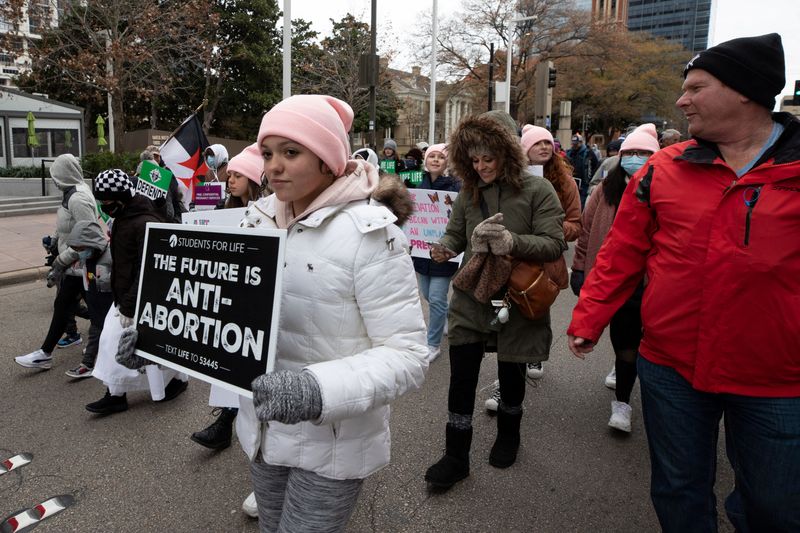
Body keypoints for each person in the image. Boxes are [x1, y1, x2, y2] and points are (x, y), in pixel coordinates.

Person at [567, 33, 800, 532]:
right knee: (677, 490)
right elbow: (621, 253)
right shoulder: (662, 169)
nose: (681, 99)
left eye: (696, 87)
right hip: (672, 367)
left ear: (745, 91)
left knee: (775, 505)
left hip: (778, 379)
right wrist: (588, 318)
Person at [235, 95, 428, 532]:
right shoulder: (255, 221)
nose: (273, 167)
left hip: (333, 442)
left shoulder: (373, 235)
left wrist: (314, 390)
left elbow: (408, 355)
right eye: (267, 153)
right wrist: (157, 340)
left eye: (291, 152)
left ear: (327, 161)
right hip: (263, 429)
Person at [424, 114, 565, 491]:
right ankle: (456, 457)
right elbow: (455, 234)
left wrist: (512, 242)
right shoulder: (469, 193)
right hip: (472, 297)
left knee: (511, 374)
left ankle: (509, 435)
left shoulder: (539, 191)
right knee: (461, 380)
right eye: (473, 159)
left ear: (506, 152)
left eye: (488, 157)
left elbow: (554, 243)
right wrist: (443, 249)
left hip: (519, 298)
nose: (481, 166)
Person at [570, 123, 660, 432]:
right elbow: (584, 232)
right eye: (630, 152)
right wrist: (579, 268)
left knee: (630, 344)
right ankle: (621, 386)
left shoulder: (663, 192)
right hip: (607, 277)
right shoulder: (604, 191)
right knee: (617, 337)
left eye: (644, 153)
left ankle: (623, 400)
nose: (635, 158)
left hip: (645, 284)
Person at [483, 124, 579, 411]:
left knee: (533, 310)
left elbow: (575, 224)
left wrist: (547, 224)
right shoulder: (506, 180)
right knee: (505, 316)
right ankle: (510, 376)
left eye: (548, 143)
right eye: (537, 143)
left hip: (541, 264)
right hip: (505, 263)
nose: (545, 147)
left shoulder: (564, 182)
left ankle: (521, 368)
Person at [86, 169, 189, 414]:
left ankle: (173, 383)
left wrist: (131, 304)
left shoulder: (144, 221)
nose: (104, 207)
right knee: (118, 345)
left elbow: (148, 267)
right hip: (127, 295)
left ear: (121, 198)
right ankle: (117, 393)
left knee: (142, 347)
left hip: (140, 298)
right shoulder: (125, 214)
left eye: (107, 203)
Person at [190, 143, 266, 451]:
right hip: (231, 299)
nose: (230, 180)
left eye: (237, 175)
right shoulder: (226, 209)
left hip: (257, 298)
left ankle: (257, 434)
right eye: (229, 174)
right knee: (228, 367)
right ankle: (225, 423)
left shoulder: (269, 211)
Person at [15, 154, 97, 370]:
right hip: (74, 265)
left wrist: (62, 260)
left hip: (81, 264)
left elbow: (88, 236)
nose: (53, 180)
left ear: (63, 175)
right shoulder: (70, 194)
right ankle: (45, 353)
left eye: (55, 175)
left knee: (96, 309)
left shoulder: (78, 198)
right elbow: (66, 226)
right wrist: (54, 240)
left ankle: (99, 351)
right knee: (64, 305)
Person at [411, 143, 461, 362]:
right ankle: (446, 318)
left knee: (436, 297)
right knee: (427, 294)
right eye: (432, 156)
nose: (435, 160)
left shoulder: (456, 187)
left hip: (444, 252)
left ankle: (433, 344)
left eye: (441, 157)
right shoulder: (416, 185)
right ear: (425, 160)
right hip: (421, 252)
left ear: (447, 163)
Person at [62, 220, 114, 379]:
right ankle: (88, 364)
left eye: (81, 248)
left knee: (110, 337)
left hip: (112, 307)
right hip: (95, 304)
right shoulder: (87, 257)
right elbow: (84, 275)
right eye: (77, 249)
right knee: (96, 332)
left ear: (91, 243)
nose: (80, 252)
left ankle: (105, 367)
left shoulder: (112, 255)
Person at [566, 133, 599, 208]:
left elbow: (596, 165)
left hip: (584, 183)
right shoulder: (569, 153)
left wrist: (591, 179)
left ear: (581, 143)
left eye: (576, 144)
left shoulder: (588, 153)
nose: (574, 145)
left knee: (581, 204)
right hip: (572, 180)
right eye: (573, 143)